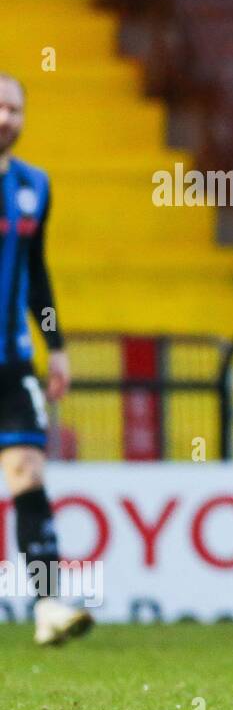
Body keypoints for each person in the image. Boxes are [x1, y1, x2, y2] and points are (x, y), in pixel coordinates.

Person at [0, 73, 88, 645]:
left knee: (27, 473)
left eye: (14, 108)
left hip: (12, 361)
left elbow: (37, 273)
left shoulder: (35, 186)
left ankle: (48, 605)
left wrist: (55, 347)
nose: (5, 117)